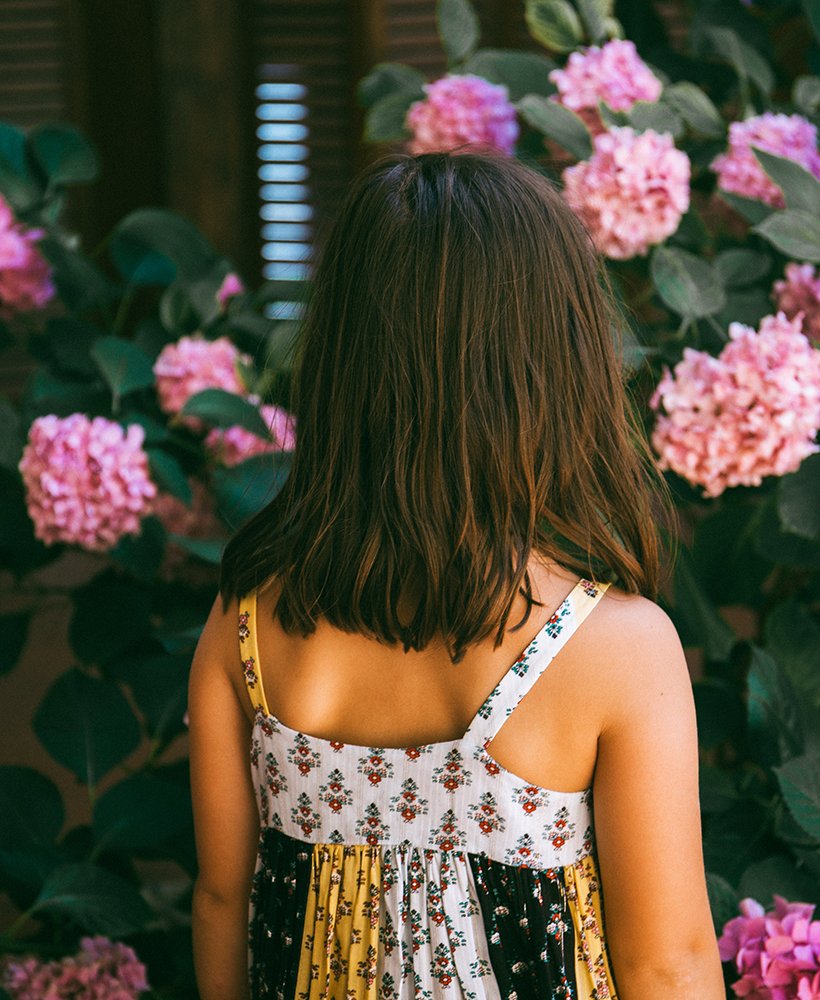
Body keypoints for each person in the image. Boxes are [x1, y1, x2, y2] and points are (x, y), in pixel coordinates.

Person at [188, 151, 722, 999]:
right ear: (558, 366)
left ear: (341, 361)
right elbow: (667, 962)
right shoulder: (617, 648)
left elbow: (224, 900)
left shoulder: (248, 621)